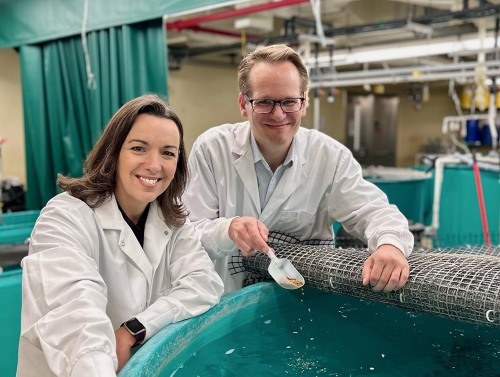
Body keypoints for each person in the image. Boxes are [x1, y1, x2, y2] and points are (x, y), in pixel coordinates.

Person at [17, 94, 224, 377]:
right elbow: (76, 316)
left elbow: (204, 284)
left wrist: (133, 330)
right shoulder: (65, 217)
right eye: (139, 148)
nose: (154, 165)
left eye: (168, 152)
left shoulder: (172, 221)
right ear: (113, 152)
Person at [183, 44, 414, 294]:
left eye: (289, 102)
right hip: (226, 304)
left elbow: (373, 211)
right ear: (243, 104)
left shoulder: (328, 157)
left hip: (302, 305)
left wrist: (390, 245)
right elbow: (185, 233)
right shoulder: (213, 149)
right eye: (264, 102)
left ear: (304, 103)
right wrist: (226, 230)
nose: (279, 114)